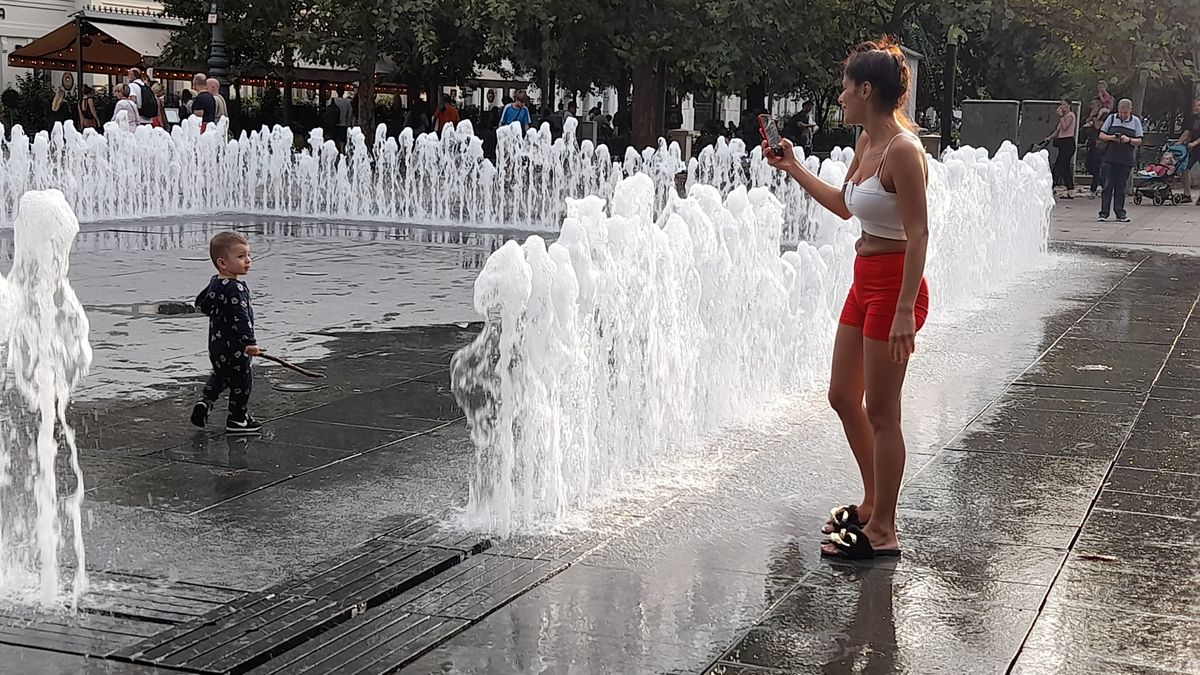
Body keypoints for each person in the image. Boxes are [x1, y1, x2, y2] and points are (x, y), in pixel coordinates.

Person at [763, 38, 929, 560]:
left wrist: (904, 309)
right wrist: (792, 166)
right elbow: (842, 205)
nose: (839, 97)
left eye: (844, 88)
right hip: (864, 281)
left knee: (882, 410)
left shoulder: (904, 150)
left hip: (896, 286)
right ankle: (874, 500)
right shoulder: (866, 144)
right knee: (842, 396)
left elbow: (920, 233)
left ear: (866, 90)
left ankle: (884, 529)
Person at [191, 231, 263, 434]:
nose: (248, 261)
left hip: (217, 345)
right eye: (241, 257)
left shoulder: (216, 282)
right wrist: (250, 342)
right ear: (223, 263)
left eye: (248, 255)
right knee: (242, 381)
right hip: (237, 347)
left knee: (221, 375)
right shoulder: (236, 288)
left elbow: (201, 305)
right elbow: (241, 317)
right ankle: (237, 419)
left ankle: (206, 401)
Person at [1097, 98, 1143, 222]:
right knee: (1107, 186)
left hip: (1125, 159)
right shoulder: (1111, 118)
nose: (1123, 115)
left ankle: (1120, 212)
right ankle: (1103, 213)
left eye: (1125, 113)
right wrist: (1112, 137)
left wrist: (1129, 140)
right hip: (1110, 157)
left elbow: (1139, 140)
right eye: (1121, 112)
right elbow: (1101, 135)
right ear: (1118, 109)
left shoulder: (1135, 121)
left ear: (1130, 111)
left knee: (1121, 186)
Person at [1045, 99, 1077, 199]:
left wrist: (1061, 116)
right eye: (1061, 105)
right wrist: (1049, 138)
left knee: (1062, 166)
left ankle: (1067, 188)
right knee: (1061, 166)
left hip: (1068, 143)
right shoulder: (1064, 117)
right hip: (1062, 143)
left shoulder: (1070, 116)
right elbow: (1058, 130)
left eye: (1064, 105)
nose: (1062, 107)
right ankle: (1059, 187)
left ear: (1069, 106)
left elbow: (1064, 127)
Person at [1178, 98, 1200, 205]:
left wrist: (1195, 143)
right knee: (1184, 168)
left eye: (1199, 106)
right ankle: (1186, 194)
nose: (1196, 108)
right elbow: (1187, 132)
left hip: (1196, 146)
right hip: (1192, 150)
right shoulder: (1193, 119)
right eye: (1196, 105)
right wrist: (1178, 144)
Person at [1087, 104, 1111, 197]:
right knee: (1093, 167)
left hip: (1100, 147)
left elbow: (1098, 126)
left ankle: (1096, 187)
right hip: (1094, 145)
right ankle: (1100, 185)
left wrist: (1094, 117)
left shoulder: (1105, 114)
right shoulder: (1095, 117)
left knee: (1098, 168)